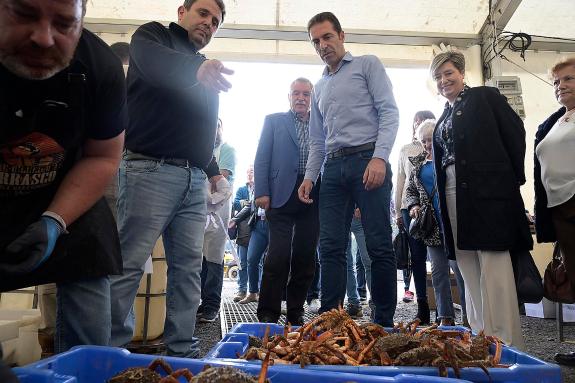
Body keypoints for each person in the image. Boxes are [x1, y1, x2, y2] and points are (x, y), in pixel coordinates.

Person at [0, 0, 126, 353]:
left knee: (91, 262)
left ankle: (86, 366)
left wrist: (55, 220)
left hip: (65, 186)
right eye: (24, 14)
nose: (44, 38)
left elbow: (103, 156)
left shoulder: (101, 68)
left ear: (82, 20)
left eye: (64, 24)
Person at [110, 0, 233, 358]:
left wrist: (212, 173)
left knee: (188, 270)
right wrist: (198, 70)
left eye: (216, 21)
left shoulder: (204, 69)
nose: (208, 23)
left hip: (193, 180)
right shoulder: (153, 37)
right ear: (182, 12)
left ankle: (183, 348)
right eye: (203, 13)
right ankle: (112, 352)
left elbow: (197, 130)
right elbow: (154, 65)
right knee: (129, 265)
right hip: (148, 169)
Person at [299, 12, 399, 326]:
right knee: (329, 245)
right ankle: (330, 320)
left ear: (341, 35)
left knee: (378, 243)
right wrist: (309, 176)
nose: (322, 45)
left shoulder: (367, 65)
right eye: (316, 41)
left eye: (327, 37)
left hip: (368, 160)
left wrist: (380, 157)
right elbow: (317, 139)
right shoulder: (318, 87)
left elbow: (389, 111)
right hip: (332, 169)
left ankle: (383, 322)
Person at [430, 51, 531, 348]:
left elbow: (515, 132)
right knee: (466, 262)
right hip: (452, 193)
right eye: (437, 77)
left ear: (461, 73)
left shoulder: (485, 97)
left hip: (487, 193)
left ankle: (506, 341)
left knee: (493, 263)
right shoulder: (444, 115)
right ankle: (480, 336)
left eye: (448, 73)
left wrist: (508, 180)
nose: (443, 80)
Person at [254, 78, 320, 325]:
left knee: (305, 256)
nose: (301, 98)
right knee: (277, 255)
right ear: (289, 96)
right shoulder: (274, 121)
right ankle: (268, 311)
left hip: (312, 193)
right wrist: (262, 191)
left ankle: (295, 310)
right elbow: (262, 157)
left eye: (306, 94)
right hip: (280, 193)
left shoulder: (320, 122)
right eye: (296, 93)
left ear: (312, 97)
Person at [534, 57, 575, 366]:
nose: (561, 86)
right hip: (559, 208)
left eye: (569, 79)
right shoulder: (555, 120)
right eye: (557, 82)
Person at [405, 119, 467, 326]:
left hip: (452, 223)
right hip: (431, 227)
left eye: (431, 139)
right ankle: (445, 318)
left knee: (461, 272)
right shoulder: (418, 164)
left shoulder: (450, 159)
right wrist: (413, 206)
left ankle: (470, 318)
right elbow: (411, 190)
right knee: (439, 274)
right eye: (423, 141)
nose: (427, 144)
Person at [395, 111, 435, 321]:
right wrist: (398, 209)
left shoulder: (439, 146)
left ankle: (444, 307)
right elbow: (401, 180)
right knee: (417, 258)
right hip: (410, 208)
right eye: (416, 121)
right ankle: (423, 307)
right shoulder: (405, 150)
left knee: (439, 259)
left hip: (435, 208)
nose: (418, 124)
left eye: (423, 120)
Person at [198, 119, 236, 323]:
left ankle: (211, 305)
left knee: (214, 257)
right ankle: (201, 303)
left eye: (218, 125)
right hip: (198, 207)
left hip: (217, 211)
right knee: (198, 258)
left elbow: (219, 178)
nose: (214, 129)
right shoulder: (197, 147)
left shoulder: (227, 150)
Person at [230, 165, 254, 302]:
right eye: (249, 171)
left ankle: (255, 290)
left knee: (257, 262)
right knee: (242, 262)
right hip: (243, 230)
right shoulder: (241, 189)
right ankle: (241, 290)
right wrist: (250, 204)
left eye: (252, 171)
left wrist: (246, 204)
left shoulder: (260, 188)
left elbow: (245, 205)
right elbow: (237, 204)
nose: (250, 174)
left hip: (257, 229)